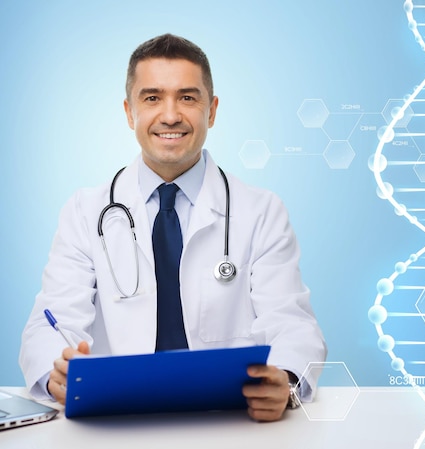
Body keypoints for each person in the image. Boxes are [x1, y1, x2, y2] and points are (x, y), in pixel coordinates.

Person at [19, 33, 327, 422]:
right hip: (117, 421)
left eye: (187, 97)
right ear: (129, 112)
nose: (170, 115)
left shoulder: (261, 210)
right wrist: (55, 375)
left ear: (211, 111)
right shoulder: (85, 211)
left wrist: (284, 378)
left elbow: (292, 323)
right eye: (152, 98)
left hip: (228, 420)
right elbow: (50, 321)